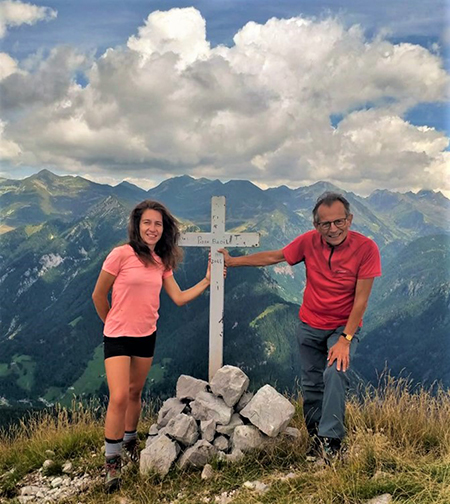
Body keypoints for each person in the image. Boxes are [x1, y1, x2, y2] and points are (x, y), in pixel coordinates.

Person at [219, 191, 381, 459]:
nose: (333, 229)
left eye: (339, 221)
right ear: (316, 226)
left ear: (349, 220)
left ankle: (331, 441)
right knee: (311, 384)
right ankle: (315, 439)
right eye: (325, 224)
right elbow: (276, 257)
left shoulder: (366, 249)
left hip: (342, 327)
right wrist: (233, 262)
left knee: (335, 373)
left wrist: (345, 339)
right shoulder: (309, 242)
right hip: (309, 324)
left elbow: (361, 300)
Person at [92, 199, 212, 492]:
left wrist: (208, 279)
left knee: (135, 392)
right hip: (118, 335)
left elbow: (179, 297)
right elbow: (98, 295)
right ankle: (112, 464)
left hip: (146, 334)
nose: (152, 228)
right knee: (119, 396)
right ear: (137, 225)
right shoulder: (120, 255)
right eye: (147, 222)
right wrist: (112, 325)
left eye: (158, 224)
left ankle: (131, 441)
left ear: (164, 228)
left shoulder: (162, 261)